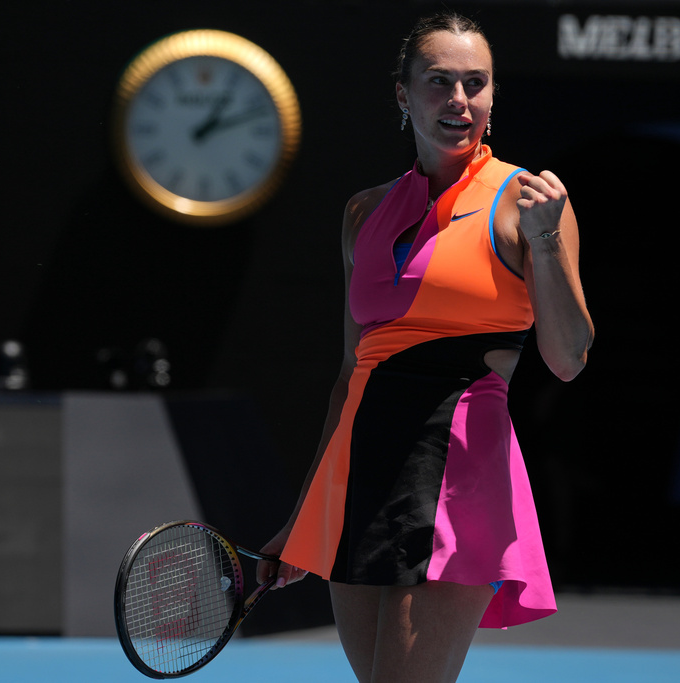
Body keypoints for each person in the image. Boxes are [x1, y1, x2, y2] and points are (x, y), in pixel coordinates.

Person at [255, 12, 594, 683]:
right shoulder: (362, 213)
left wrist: (549, 241)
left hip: (456, 473)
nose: (459, 100)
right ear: (404, 95)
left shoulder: (525, 205)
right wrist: (304, 517)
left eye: (476, 83)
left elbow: (568, 356)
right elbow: (351, 373)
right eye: (439, 81)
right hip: (358, 474)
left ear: (493, 98)